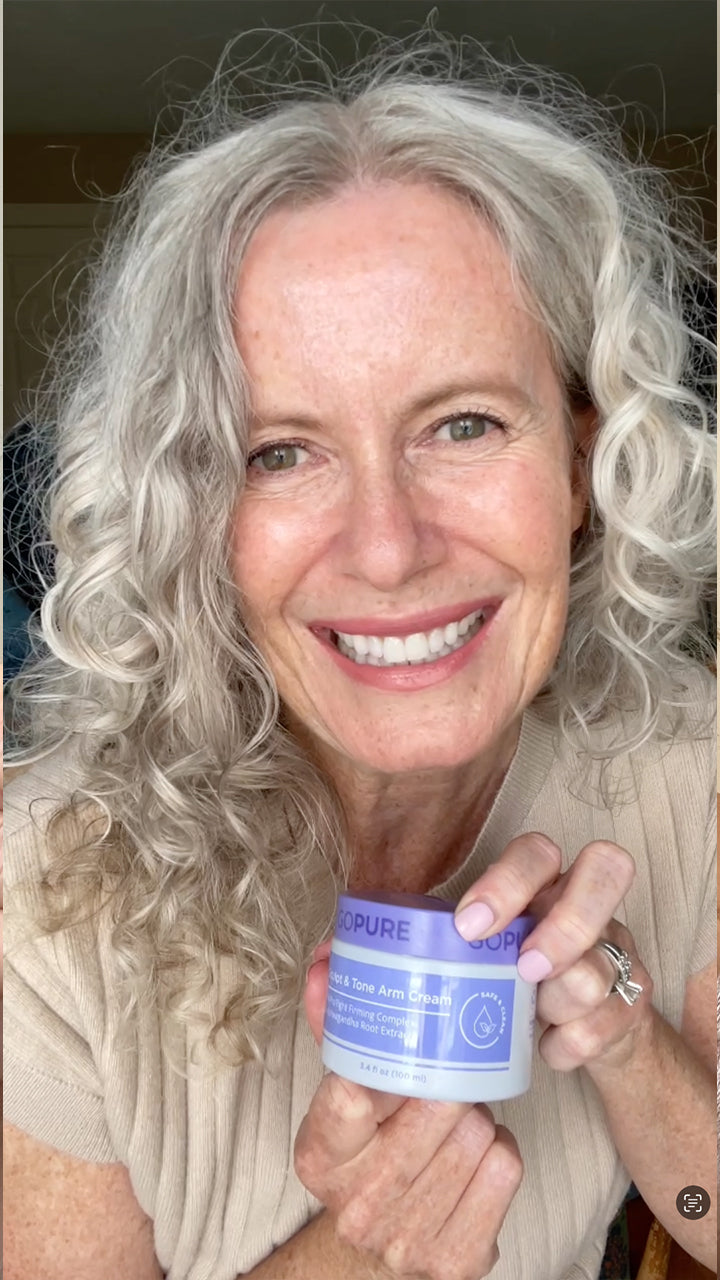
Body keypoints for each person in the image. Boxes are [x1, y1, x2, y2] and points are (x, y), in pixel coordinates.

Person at [3, 26, 716, 1280]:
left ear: (580, 465)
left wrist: (622, 1029)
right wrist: (365, 1249)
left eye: (463, 422)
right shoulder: (46, 899)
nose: (387, 548)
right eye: (280, 450)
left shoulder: (682, 767)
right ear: (192, 513)